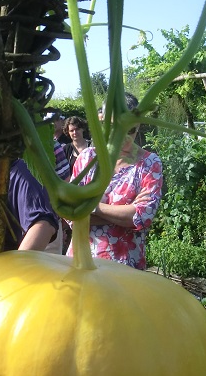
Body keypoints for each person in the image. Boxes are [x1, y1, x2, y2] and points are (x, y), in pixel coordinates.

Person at [66, 93, 163, 270]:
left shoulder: (149, 163)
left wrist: (91, 206)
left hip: (124, 267)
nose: (123, 136)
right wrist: (121, 215)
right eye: (114, 128)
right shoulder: (87, 158)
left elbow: (142, 216)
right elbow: (70, 212)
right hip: (82, 263)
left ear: (139, 125)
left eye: (131, 130)